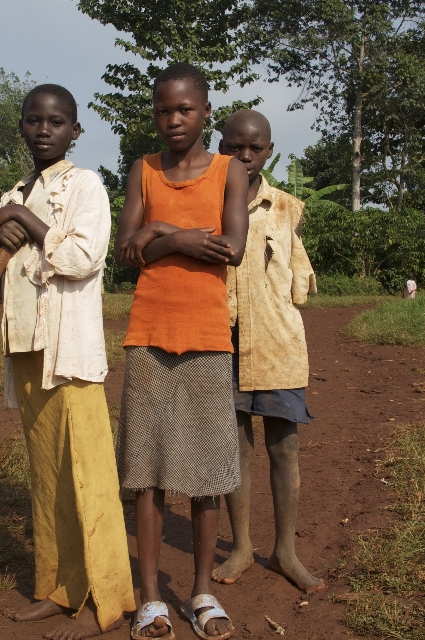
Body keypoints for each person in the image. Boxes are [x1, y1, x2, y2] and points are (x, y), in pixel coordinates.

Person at [0, 84, 135, 640]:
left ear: (75, 131)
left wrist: (24, 219)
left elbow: (81, 256)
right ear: (21, 126)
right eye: (33, 120)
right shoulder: (12, 191)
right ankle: (59, 587)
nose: (44, 130)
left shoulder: (85, 185)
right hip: (25, 350)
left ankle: (108, 601)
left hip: (69, 352)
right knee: (46, 480)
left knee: (88, 477)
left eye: (56, 122)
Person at [114, 63, 248, 640]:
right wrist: (176, 233)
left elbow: (232, 249)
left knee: (206, 472)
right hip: (147, 335)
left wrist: (159, 237)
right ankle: (150, 599)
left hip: (207, 338)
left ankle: (201, 591)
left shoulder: (229, 172)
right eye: (163, 111)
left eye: (185, 110)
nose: (173, 120)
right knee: (145, 473)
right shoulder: (141, 170)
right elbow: (124, 253)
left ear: (205, 112)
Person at [211, 110, 324, 595]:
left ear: (269, 151)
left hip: (279, 344)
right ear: (221, 146)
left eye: (254, 148)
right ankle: (240, 545)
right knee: (235, 446)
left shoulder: (285, 208)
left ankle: (284, 550)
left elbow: (297, 282)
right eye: (234, 146)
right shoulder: (207, 203)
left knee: (285, 446)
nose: (244, 156)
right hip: (224, 341)